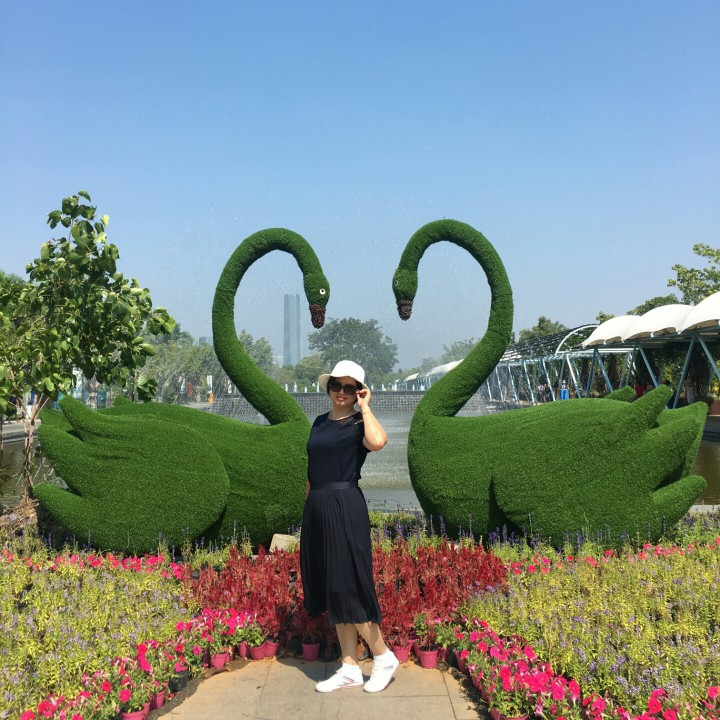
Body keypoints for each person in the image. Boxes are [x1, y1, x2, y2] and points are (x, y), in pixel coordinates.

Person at [300, 360, 399, 693]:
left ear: (358, 392)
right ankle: (349, 666)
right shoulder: (319, 422)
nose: (341, 392)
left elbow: (378, 442)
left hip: (345, 505)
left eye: (349, 387)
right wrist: (310, 506)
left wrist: (366, 408)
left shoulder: (359, 424)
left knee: (349, 585)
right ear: (328, 388)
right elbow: (313, 468)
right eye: (336, 385)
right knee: (333, 586)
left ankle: (383, 656)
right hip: (318, 506)